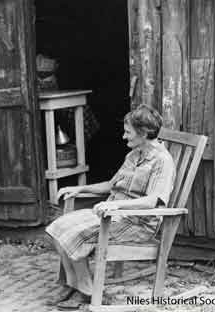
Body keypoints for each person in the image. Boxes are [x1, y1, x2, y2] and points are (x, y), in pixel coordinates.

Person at [45, 105, 175, 310]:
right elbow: (111, 185)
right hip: (112, 215)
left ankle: (86, 291)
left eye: (128, 132)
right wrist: (78, 189)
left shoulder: (162, 161)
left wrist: (115, 204)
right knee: (58, 227)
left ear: (143, 133)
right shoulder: (134, 155)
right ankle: (76, 284)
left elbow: (152, 201)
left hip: (137, 224)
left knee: (75, 234)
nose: (124, 137)